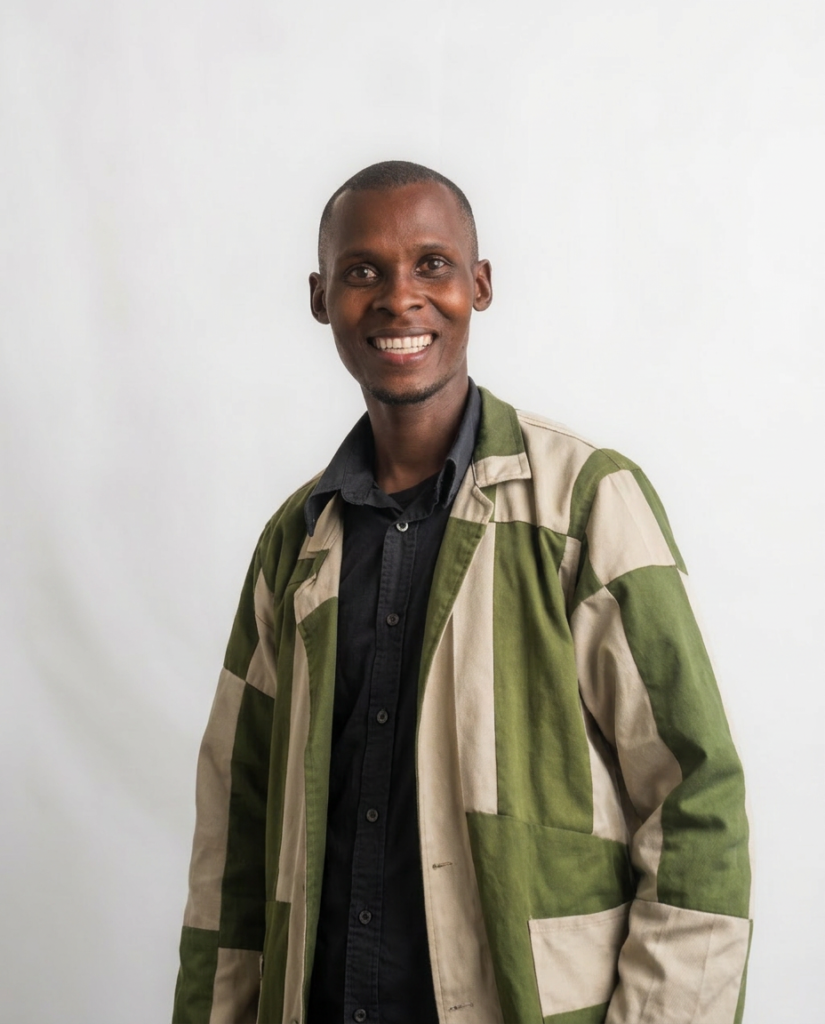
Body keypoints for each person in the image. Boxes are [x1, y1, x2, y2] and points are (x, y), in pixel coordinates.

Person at [172, 161, 752, 1024]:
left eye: (432, 264)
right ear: (321, 298)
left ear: (478, 285)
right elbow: (236, 823)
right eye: (361, 271)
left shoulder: (584, 505)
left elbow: (695, 798)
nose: (399, 297)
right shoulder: (295, 541)